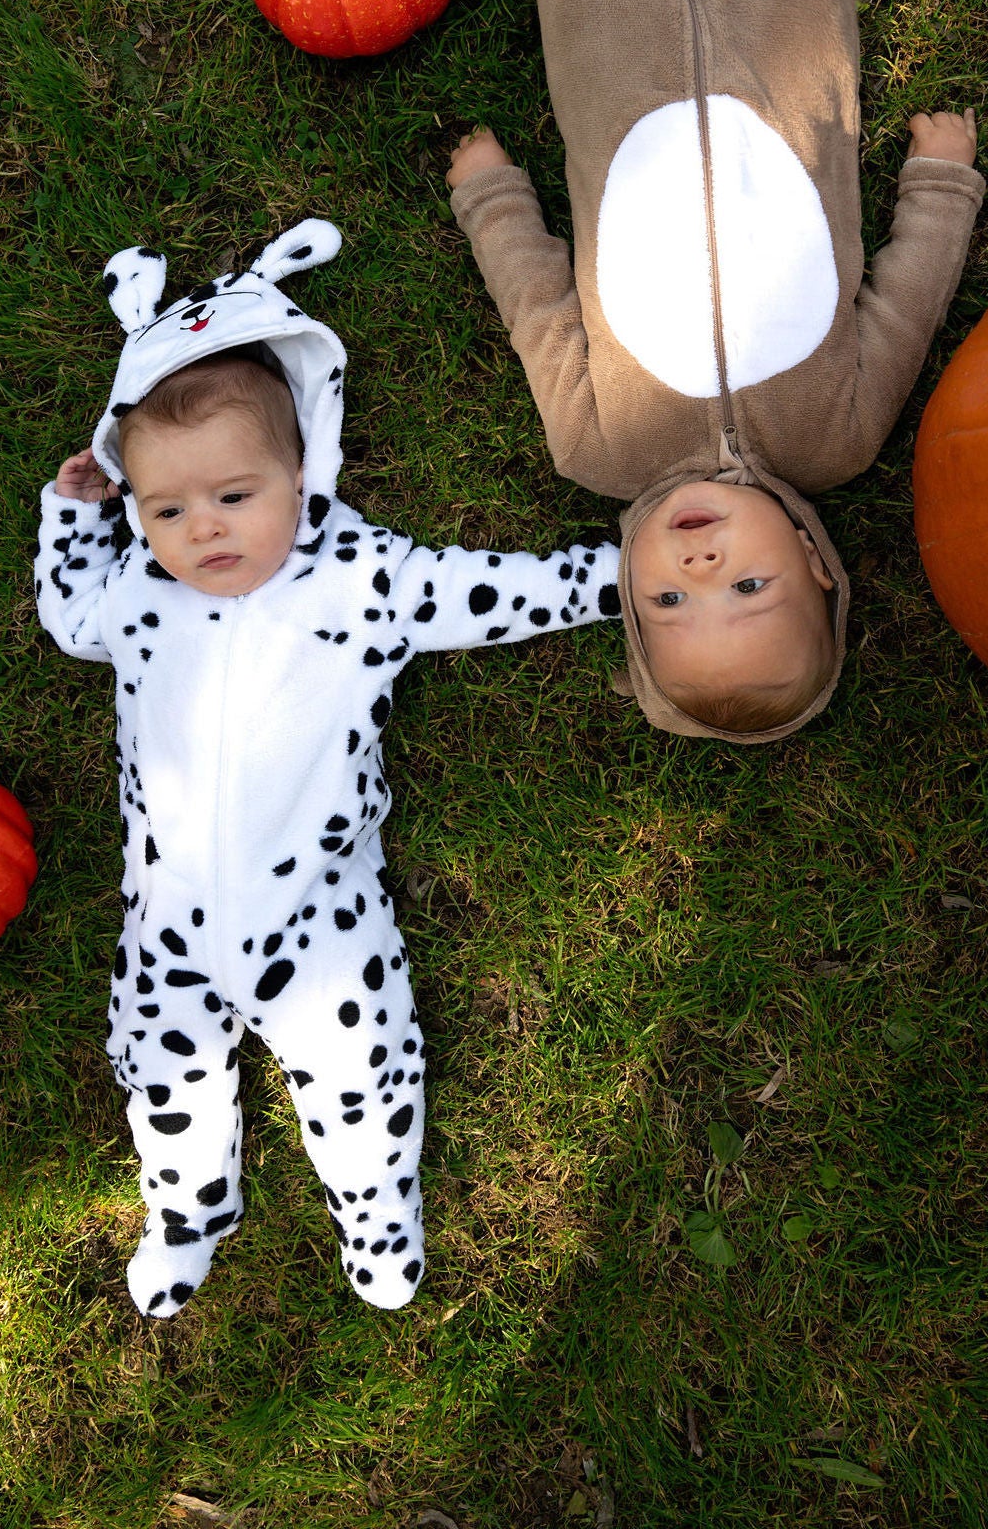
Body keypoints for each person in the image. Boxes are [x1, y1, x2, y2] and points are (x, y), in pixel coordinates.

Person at [35, 219, 619, 1317]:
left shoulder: (358, 578)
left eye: (234, 495)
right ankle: (187, 1210)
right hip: (165, 926)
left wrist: (611, 573)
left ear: (303, 467)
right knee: (163, 1086)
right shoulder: (134, 594)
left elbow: (484, 594)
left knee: (363, 1079)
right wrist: (74, 516)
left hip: (321, 918)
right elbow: (67, 615)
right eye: (167, 508)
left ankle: (376, 1206)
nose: (202, 528)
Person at [447, 0, 983, 743]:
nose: (699, 563)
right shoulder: (837, 437)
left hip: (619, 98)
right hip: (791, 93)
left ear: (629, 605)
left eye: (667, 602)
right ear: (816, 564)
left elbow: (539, 311)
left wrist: (492, 198)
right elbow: (902, 304)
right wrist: (937, 184)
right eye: (748, 588)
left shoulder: (595, 448)